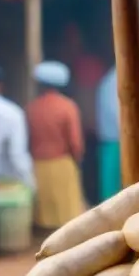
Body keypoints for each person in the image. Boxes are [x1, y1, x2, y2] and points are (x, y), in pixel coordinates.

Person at [27, 61, 85, 229]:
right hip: (62, 164)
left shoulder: (31, 108)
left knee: (43, 216)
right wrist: (77, 161)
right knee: (66, 216)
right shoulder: (68, 107)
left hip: (38, 166)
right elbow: (75, 143)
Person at [61, 22, 107, 205]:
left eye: (72, 39)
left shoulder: (88, 63)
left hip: (91, 124)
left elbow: (90, 95)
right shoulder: (75, 63)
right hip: (83, 124)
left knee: (91, 165)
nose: (70, 43)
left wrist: (92, 121)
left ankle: (94, 197)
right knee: (88, 165)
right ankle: (90, 197)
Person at [0, 64, 34, 189]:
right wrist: (30, 184)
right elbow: (17, 157)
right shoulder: (12, 113)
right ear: (0, 85)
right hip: (3, 186)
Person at [96, 66, 122, 202]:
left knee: (112, 179)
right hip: (114, 138)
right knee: (112, 181)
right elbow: (115, 112)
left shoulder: (111, 80)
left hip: (113, 137)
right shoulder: (114, 82)